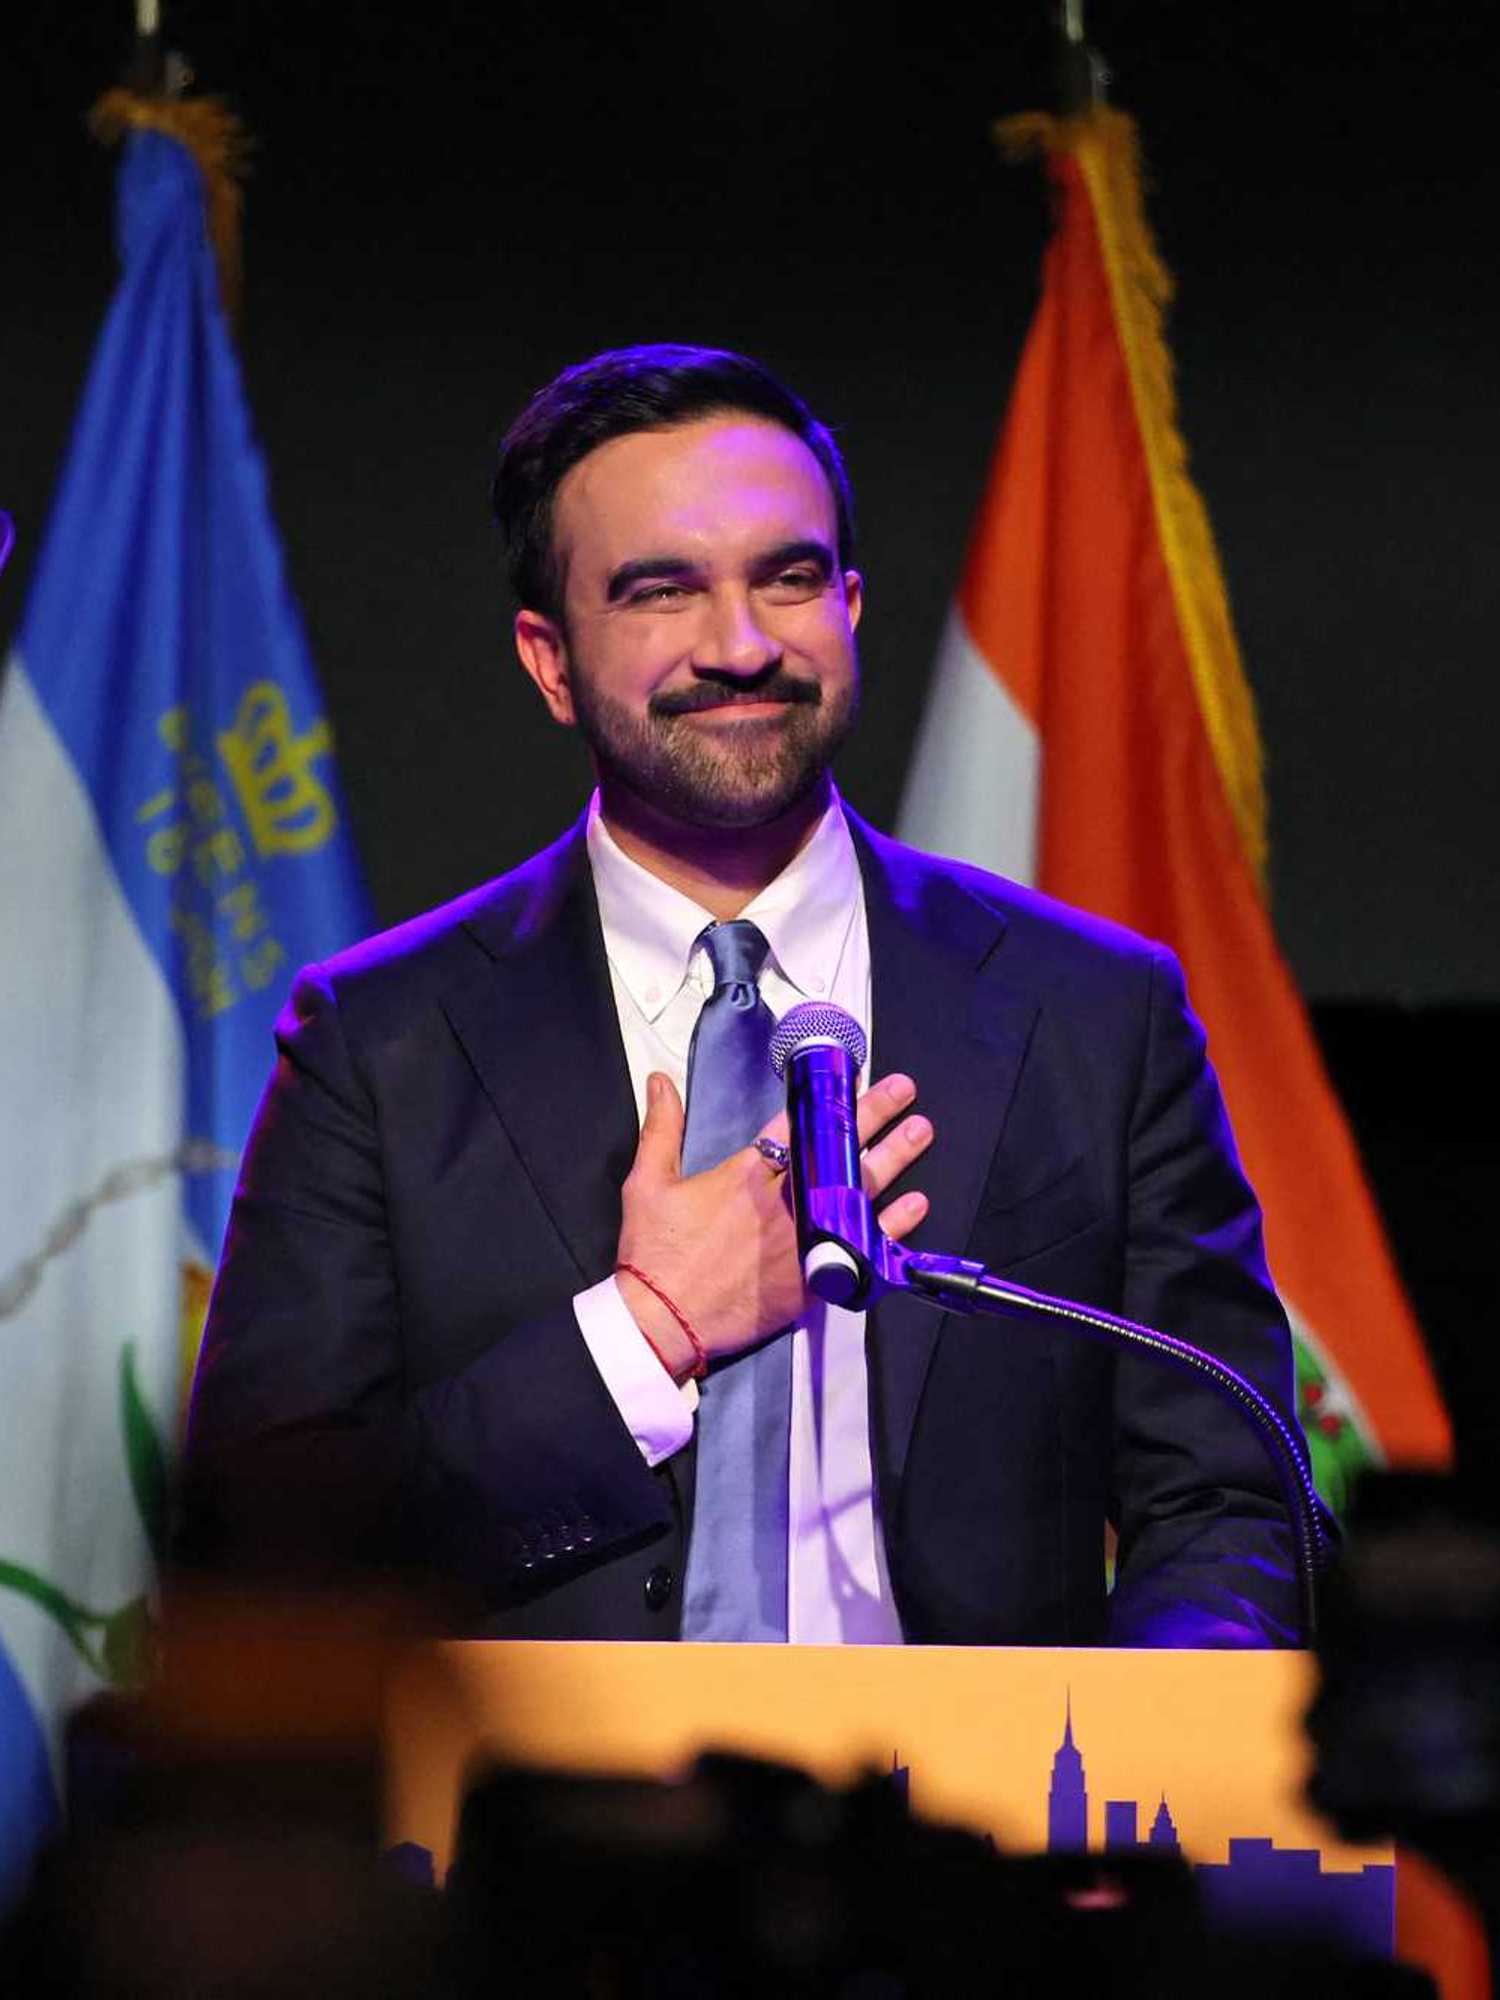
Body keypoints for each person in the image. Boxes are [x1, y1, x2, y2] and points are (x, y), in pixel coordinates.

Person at [181, 343, 1304, 1647]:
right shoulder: (379, 1046)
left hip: (975, 1830)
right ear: (549, 661)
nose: (743, 644)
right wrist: (643, 1331)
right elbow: (263, 1561)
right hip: (550, 1835)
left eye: (790, 578)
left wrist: (1124, 1782)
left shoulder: (1095, 1015)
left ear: (853, 606)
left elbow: (1230, 1497)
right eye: (662, 592)